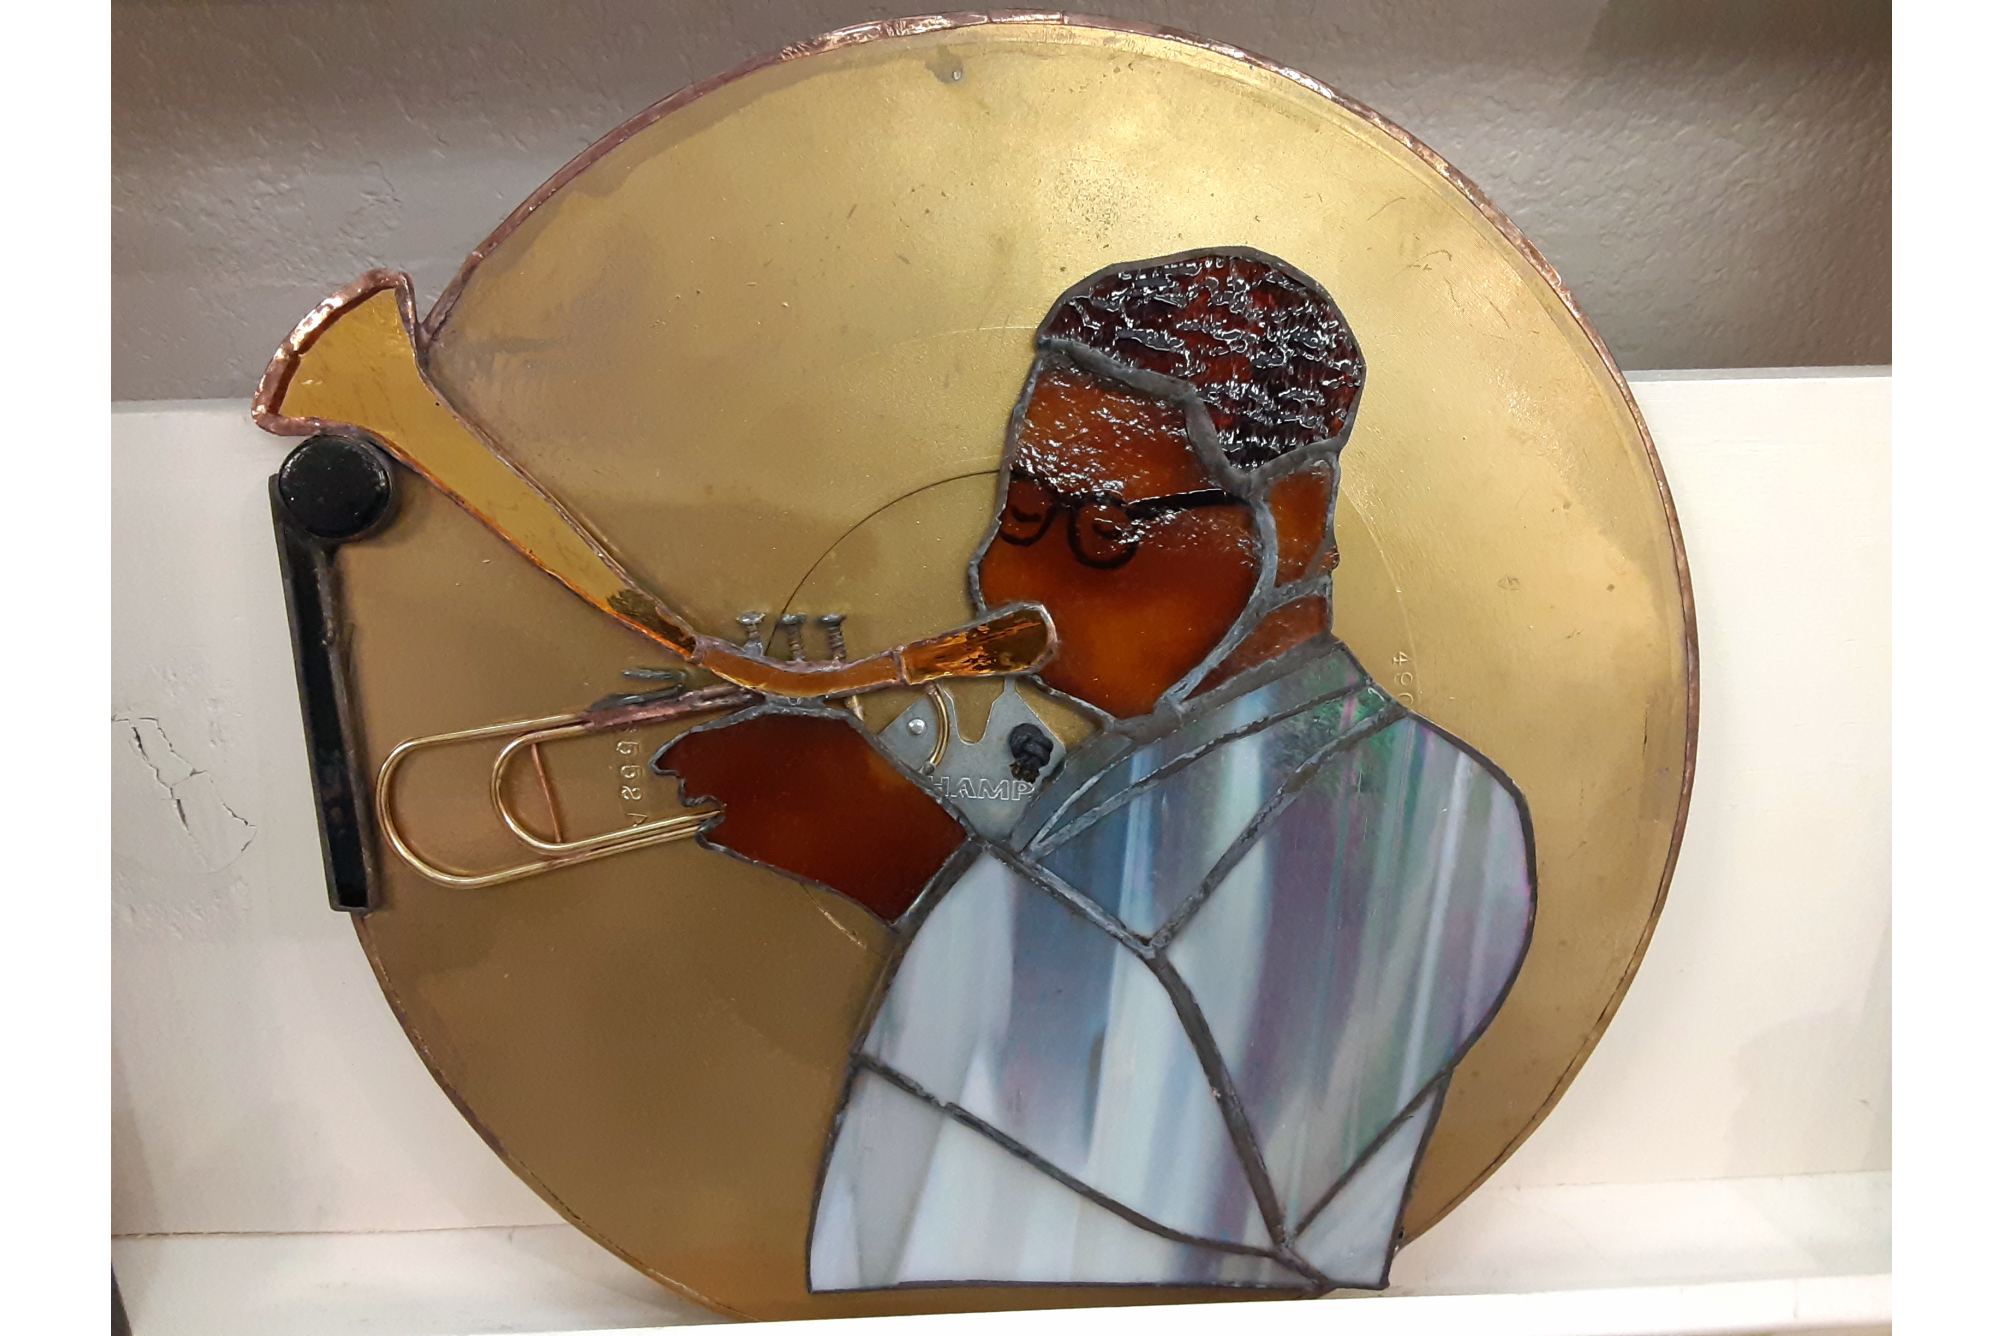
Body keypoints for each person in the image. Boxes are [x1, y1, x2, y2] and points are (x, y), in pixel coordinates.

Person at [655, 250, 1535, 1295]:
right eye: (1016, 515)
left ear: (1292, 520)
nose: (1000, 577)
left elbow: (1223, 1164)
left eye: (1100, 531)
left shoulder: (1433, 810)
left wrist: (910, 864)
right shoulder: (1127, 762)